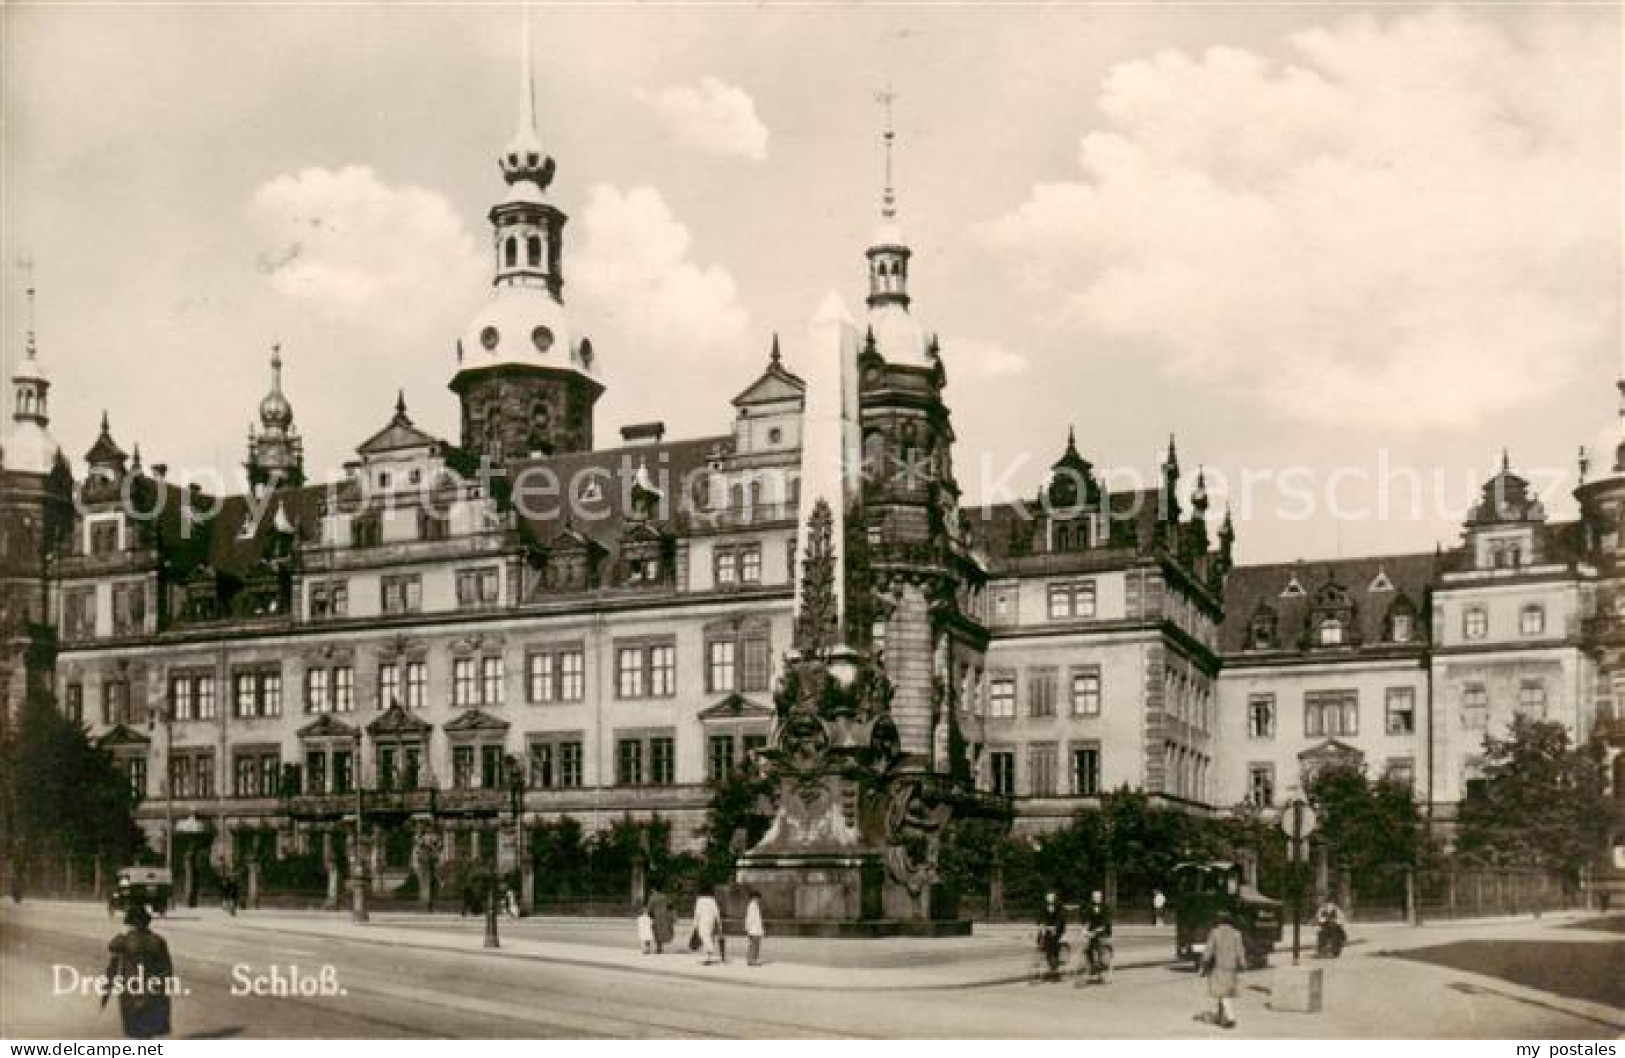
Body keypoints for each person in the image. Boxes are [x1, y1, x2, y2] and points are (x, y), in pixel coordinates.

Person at [102, 905, 174, 1040]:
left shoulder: (126, 939)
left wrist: (123, 932)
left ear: (131, 923)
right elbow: (167, 967)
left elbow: (112, 946)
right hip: (153, 989)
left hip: (132, 989)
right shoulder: (158, 940)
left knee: (135, 1028)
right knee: (148, 1029)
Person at [1200, 910, 1247, 1029]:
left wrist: (1204, 963)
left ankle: (1231, 1018)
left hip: (1219, 967)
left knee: (1222, 993)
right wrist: (1242, 963)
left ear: (1219, 921)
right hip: (1231, 967)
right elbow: (1240, 950)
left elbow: (1209, 950)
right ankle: (1221, 1017)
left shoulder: (1214, 933)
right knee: (1224, 992)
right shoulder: (1237, 933)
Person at [1079, 889, 1113, 980]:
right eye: (1095, 897)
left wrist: (1099, 930)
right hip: (1092, 930)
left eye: (1098, 897)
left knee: (1100, 947)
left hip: (1103, 930)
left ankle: (1103, 967)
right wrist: (1084, 930)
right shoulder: (1089, 907)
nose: (1096, 898)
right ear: (1092, 898)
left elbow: (1106, 922)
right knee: (1087, 948)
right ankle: (1092, 965)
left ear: (1101, 898)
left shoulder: (1105, 907)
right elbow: (1086, 919)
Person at [1035, 891, 1066, 979]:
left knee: (1053, 943)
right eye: (1048, 898)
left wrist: (1055, 927)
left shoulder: (1059, 906)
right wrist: (1040, 924)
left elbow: (1061, 918)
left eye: (1052, 898)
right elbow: (1040, 916)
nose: (1050, 899)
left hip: (1057, 928)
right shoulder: (1044, 906)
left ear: (1054, 898)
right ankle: (1049, 961)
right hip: (1047, 927)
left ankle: (1056, 970)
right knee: (1040, 939)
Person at [693, 885, 724, 965]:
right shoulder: (712, 900)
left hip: (702, 920)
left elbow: (697, 913)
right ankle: (707, 957)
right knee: (709, 937)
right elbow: (717, 912)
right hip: (711, 920)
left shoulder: (699, 900)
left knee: (704, 936)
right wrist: (719, 924)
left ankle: (710, 950)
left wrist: (695, 924)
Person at [647, 885, 674, 954]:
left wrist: (650, 916)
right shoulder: (665, 897)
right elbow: (670, 906)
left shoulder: (652, 898)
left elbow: (649, 909)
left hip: (656, 917)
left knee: (656, 932)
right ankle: (660, 947)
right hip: (665, 917)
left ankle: (659, 948)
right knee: (662, 931)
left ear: (654, 889)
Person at [744, 890, 765, 967]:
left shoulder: (753, 905)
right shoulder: (753, 905)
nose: (759, 900)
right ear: (755, 897)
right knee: (755, 945)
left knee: (753, 945)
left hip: (754, 929)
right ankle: (753, 960)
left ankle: (751, 960)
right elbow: (751, 918)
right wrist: (748, 928)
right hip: (754, 929)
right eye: (758, 898)